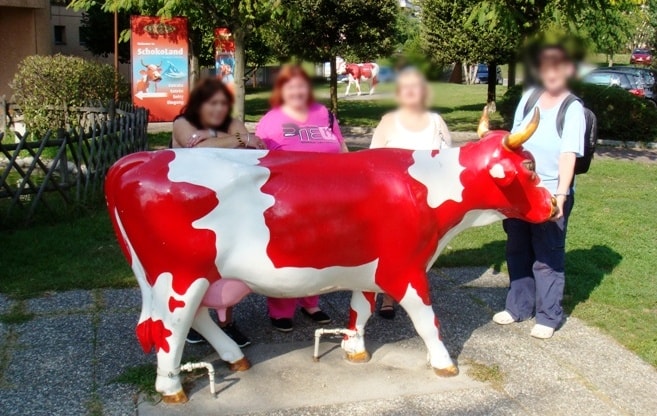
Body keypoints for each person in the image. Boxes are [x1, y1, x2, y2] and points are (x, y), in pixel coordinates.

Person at [492, 45, 585, 339]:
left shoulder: (573, 108)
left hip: (549, 192)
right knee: (517, 247)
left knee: (547, 254)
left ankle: (548, 316)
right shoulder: (529, 98)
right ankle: (518, 306)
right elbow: (513, 141)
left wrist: (561, 195)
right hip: (521, 189)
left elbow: (568, 154)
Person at [172, 77, 266, 347]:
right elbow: (198, 149)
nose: (218, 110)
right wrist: (238, 139)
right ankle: (194, 320)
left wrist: (235, 138)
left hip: (227, 202)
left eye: (223, 104)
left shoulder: (232, 124)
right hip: (190, 202)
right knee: (194, 263)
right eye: (212, 103)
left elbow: (256, 145)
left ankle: (227, 321)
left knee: (227, 263)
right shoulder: (182, 123)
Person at [255, 64, 347, 332]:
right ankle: (281, 308)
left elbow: (341, 148)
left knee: (319, 251)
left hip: (327, 198)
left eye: (301, 85)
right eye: (290, 86)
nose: (297, 91)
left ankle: (311, 301)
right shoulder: (270, 121)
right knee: (288, 252)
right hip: (287, 201)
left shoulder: (324, 114)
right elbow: (258, 159)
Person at [369, 67, 452, 320]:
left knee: (422, 248)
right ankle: (387, 297)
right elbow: (372, 160)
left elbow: (449, 158)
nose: (411, 92)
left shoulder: (436, 121)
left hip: (429, 200)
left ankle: (414, 291)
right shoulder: (388, 121)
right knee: (393, 246)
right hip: (394, 199)